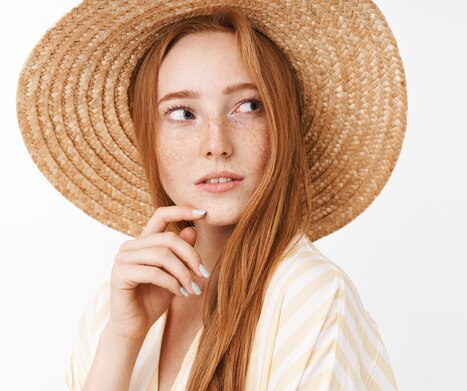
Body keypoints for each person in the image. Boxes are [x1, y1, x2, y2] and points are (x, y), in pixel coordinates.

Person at [16, 1, 407, 390]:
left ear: (282, 125)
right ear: (148, 139)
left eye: (247, 106)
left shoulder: (312, 298)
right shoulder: (114, 306)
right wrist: (122, 339)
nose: (216, 144)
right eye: (182, 113)